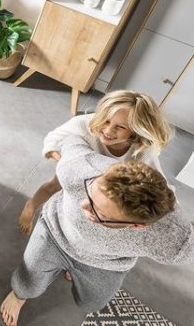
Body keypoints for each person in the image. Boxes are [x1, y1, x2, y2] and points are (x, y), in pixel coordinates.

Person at [0, 135, 194, 326]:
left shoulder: (170, 237)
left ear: (137, 226)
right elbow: (71, 136)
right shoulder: (79, 167)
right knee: (27, 284)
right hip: (54, 233)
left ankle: (69, 271)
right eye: (90, 193)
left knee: (91, 304)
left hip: (105, 263)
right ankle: (19, 296)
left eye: (98, 212)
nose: (83, 205)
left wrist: (180, 223)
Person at [18, 90, 172, 234]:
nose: (108, 131)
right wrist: (67, 162)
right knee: (53, 186)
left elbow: (159, 184)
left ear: (135, 131)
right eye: (106, 121)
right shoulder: (84, 124)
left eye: (120, 127)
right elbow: (53, 140)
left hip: (107, 183)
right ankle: (31, 206)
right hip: (76, 166)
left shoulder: (142, 151)